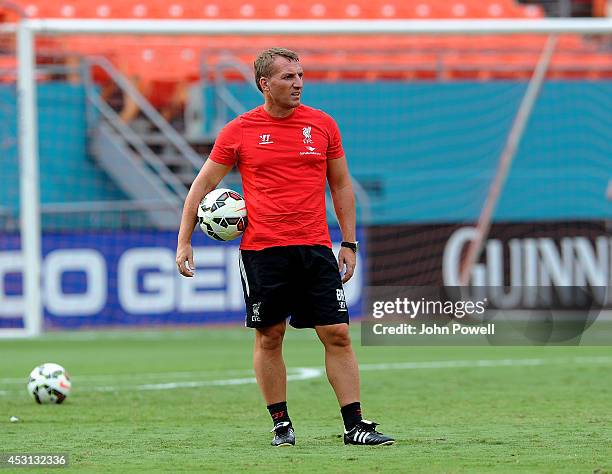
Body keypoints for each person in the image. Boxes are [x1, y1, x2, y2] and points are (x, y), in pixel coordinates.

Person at [176, 47, 394, 447]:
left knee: (338, 333)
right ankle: (281, 425)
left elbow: (341, 184)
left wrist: (348, 241)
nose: (297, 83)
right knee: (270, 335)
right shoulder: (238, 131)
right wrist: (184, 240)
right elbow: (203, 185)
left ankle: (355, 426)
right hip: (263, 251)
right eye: (287, 77)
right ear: (264, 84)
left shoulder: (322, 125)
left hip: (314, 247)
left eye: (300, 75)